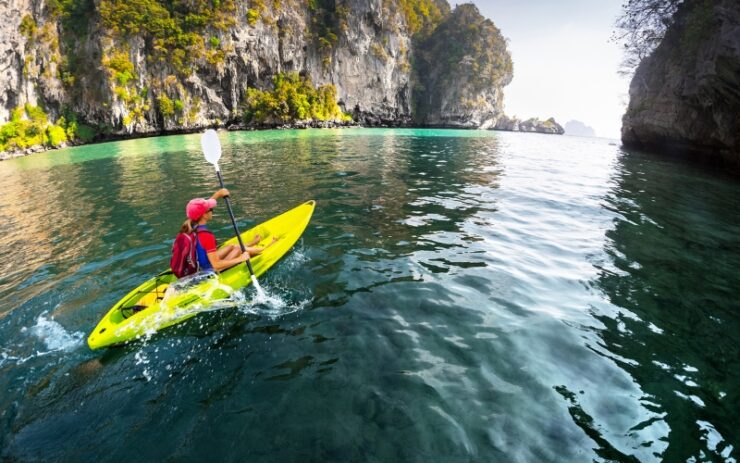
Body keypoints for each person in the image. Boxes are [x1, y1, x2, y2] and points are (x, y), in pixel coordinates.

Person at [182, 188, 277, 273]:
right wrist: (240, 259)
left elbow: (200, 209)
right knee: (239, 250)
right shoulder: (206, 236)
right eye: (210, 209)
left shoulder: (190, 226)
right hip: (210, 271)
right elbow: (217, 266)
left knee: (231, 246)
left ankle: (252, 244)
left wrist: (218, 194)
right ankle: (264, 249)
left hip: (201, 264)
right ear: (204, 215)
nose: (212, 210)